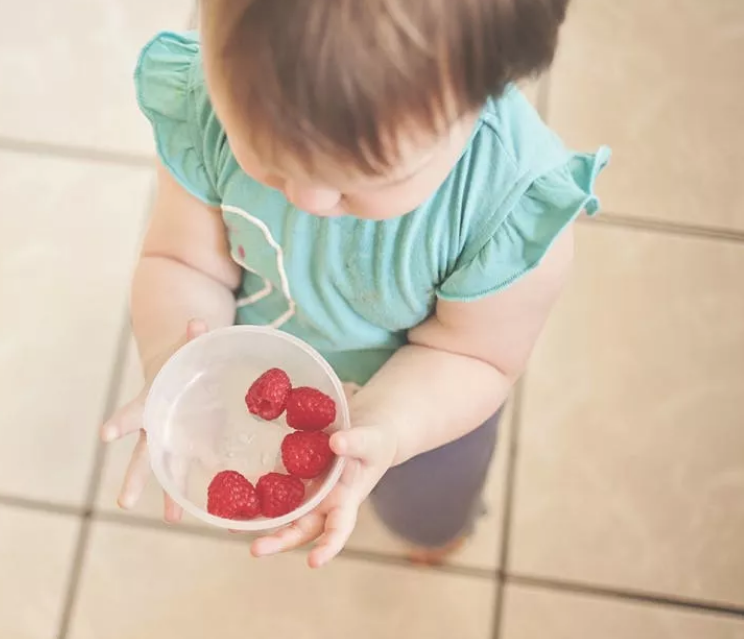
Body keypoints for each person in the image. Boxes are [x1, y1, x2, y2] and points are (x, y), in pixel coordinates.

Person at [101, 0, 609, 568]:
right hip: (265, 368)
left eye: (361, 181)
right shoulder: (214, 102)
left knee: (427, 505)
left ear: (484, 93)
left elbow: (477, 356)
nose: (308, 200)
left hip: (425, 406)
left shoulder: (507, 208)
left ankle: (436, 535)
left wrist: (388, 427)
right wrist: (175, 360)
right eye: (268, 157)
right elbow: (184, 261)